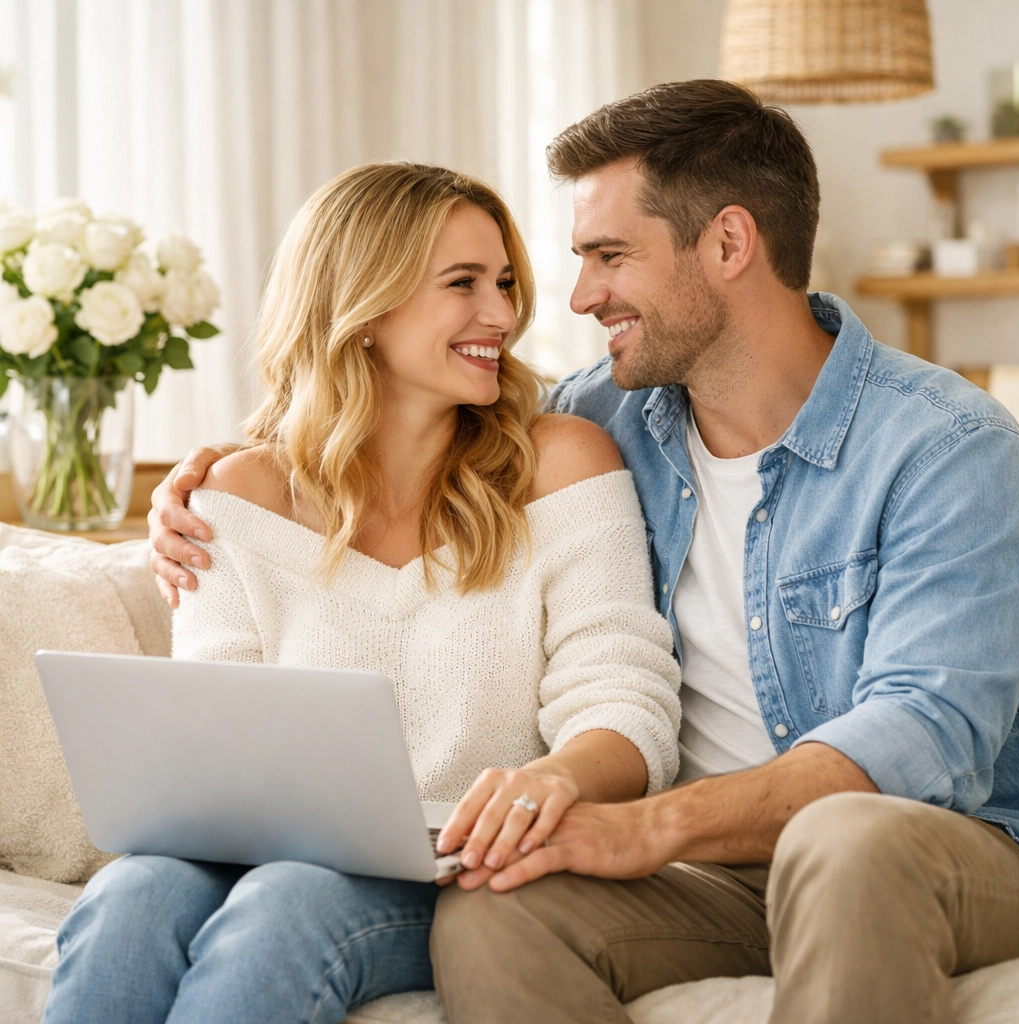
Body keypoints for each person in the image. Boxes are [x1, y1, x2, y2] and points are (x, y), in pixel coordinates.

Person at [148, 83, 1019, 1024]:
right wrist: (219, 470)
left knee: (844, 840)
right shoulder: (596, 421)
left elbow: (924, 735)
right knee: (493, 908)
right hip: (716, 879)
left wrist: (649, 825)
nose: (576, 297)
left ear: (730, 244)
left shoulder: (945, 446)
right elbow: (398, 417)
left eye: (610, 256)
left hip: (938, 846)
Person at [43, 162, 683, 1024]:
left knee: (287, 908)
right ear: (364, 306)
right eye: (463, 284)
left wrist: (552, 781)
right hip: (261, 856)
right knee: (132, 896)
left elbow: (627, 704)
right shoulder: (238, 497)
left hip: (453, 874)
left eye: (503, 283)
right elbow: (212, 742)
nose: (502, 313)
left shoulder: (562, 463)